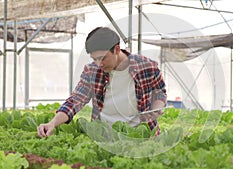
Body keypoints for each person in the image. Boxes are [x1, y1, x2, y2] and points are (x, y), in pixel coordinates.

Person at [37, 27, 167, 137]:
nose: (99, 64)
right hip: (105, 138)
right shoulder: (91, 71)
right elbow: (75, 100)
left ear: (116, 49)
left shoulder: (147, 66)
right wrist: (52, 123)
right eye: (95, 59)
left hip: (142, 136)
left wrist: (156, 108)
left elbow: (160, 93)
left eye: (102, 58)